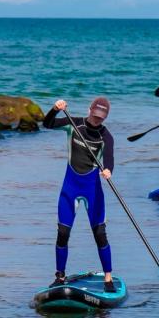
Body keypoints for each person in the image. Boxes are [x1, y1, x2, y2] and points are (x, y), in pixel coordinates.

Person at [43, 97, 117, 292]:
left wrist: (108, 170)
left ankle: (108, 279)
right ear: (89, 110)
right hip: (71, 186)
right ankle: (60, 276)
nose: (96, 120)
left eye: (100, 118)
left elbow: (109, 158)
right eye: (94, 116)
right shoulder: (73, 123)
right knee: (63, 233)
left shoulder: (106, 137)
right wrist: (54, 110)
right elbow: (47, 124)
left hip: (92, 189)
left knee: (100, 234)